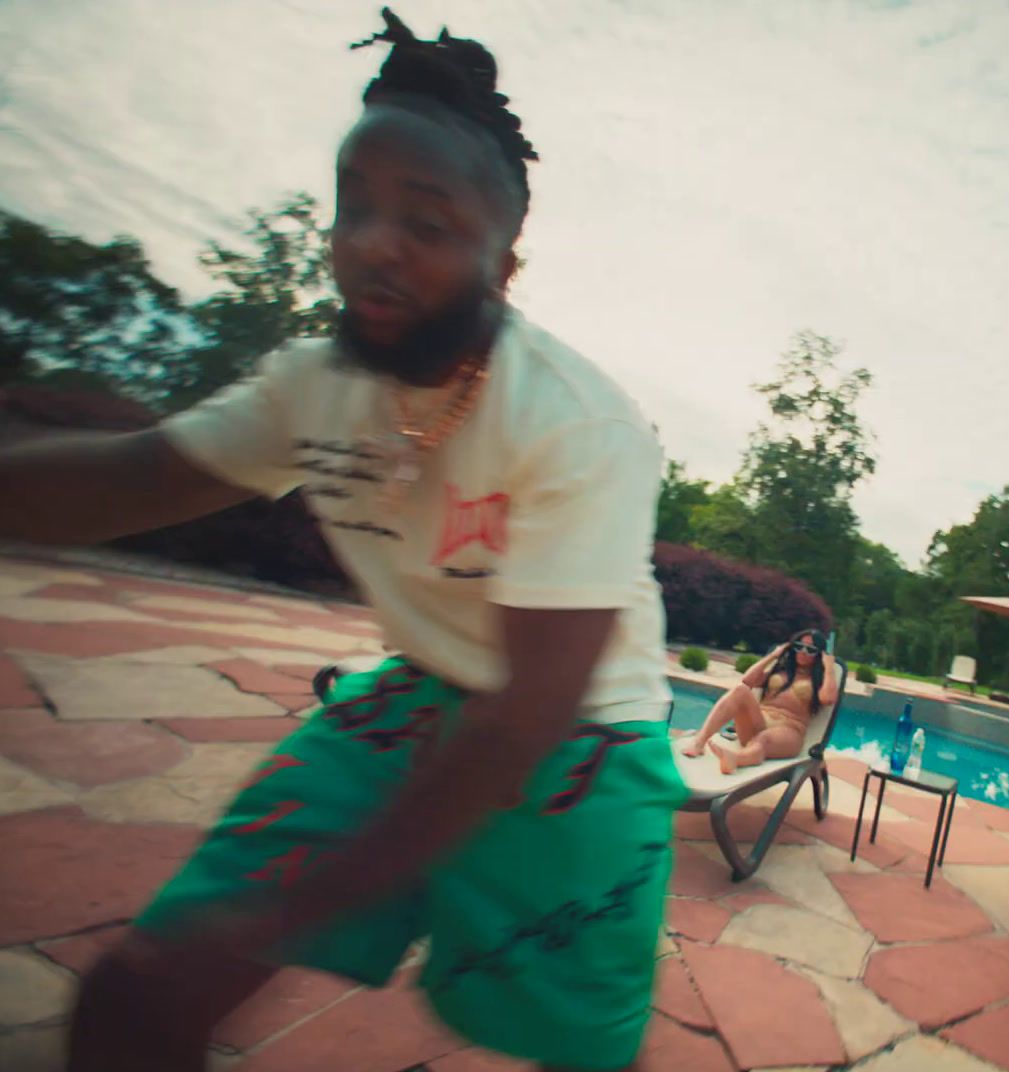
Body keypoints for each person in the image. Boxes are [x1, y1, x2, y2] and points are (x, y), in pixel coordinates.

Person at [0, 11, 683, 1072]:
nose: (374, 241)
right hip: (414, 696)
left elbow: (524, 718)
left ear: (504, 259)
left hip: (578, 737)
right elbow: (142, 474)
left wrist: (294, 907)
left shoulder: (576, 422)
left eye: (425, 219)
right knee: (138, 993)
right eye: (352, 207)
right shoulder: (313, 388)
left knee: (580, 1057)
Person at [680, 628, 839, 774]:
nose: (803, 652)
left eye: (810, 650)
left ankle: (736, 759)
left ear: (819, 654)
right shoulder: (781, 670)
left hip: (789, 731)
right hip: (759, 722)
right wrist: (773, 655)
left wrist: (829, 668)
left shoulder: (820, 680)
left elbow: (828, 698)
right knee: (740, 690)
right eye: (799, 646)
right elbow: (747, 680)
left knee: (762, 739)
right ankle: (700, 742)